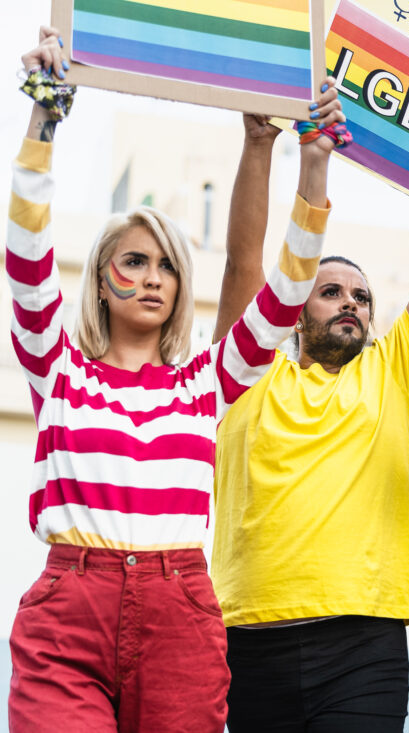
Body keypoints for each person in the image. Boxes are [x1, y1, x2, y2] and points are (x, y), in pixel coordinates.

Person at [6, 27, 340, 732]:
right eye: (133, 261)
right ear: (102, 280)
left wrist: (314, 166)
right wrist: (43, 122)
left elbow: (283, 294)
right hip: (70, 607)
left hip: (180, 610)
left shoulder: (205, 380)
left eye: (166, 265)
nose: (152, 276)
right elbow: (25, 257)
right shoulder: (58, 367)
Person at [209, 116, 409, 732]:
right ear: (294, 307)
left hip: (363, 648)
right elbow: (239, 263)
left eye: (361, 297)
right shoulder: (243, 373)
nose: (351, 304)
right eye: (331, 292)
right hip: (250, 643)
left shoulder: (392, 373)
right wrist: (259, 144)